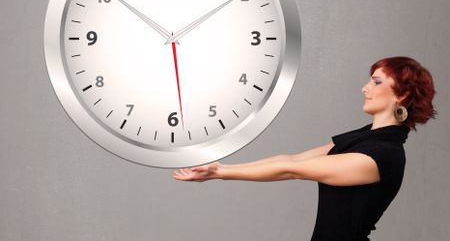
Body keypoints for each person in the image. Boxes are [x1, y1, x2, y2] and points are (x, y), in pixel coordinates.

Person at [173, 56, 437, 240]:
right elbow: (293, 158)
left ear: (402, 94)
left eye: (377, 82)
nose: (365, 88)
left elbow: (292, 169)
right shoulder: (365, 137)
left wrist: (220, 174)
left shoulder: (384, 155)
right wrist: (219, 167)